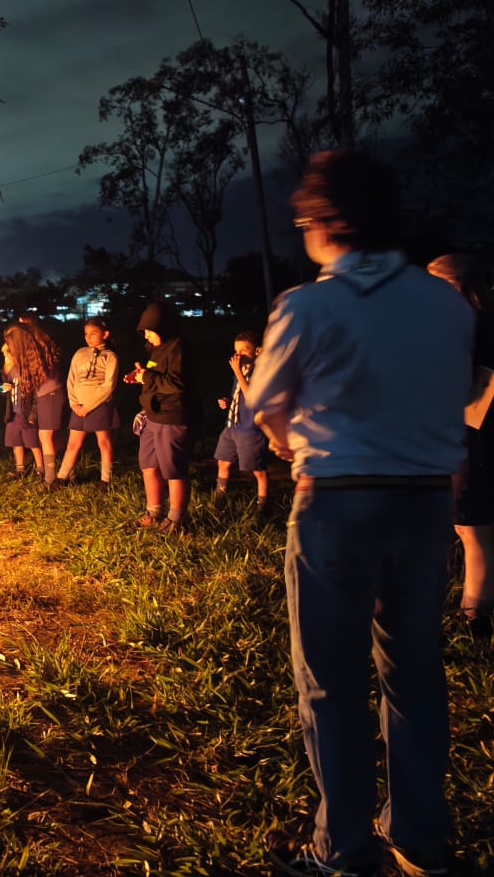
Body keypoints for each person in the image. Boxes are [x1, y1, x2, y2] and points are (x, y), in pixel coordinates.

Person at [249, 150, 471, 877]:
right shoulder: (445, 301)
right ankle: (419, 841)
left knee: (332, 682)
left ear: (328, 223)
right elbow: (456, 394)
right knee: (413, 673)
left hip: (337, 503)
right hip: (425, 504)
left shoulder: (309, 305)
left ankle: (341, 849)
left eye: (306, 220)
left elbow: (266, 409)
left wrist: (293, 442)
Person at [427, 252, 494, 635]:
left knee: (473, 529)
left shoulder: (467, 326)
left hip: (472, 436)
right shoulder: (475, 322)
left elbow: (463, 389)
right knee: (468, 527)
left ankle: (477, 620)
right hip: (472, 434)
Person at [124, 300, 200, 536]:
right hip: (152, 415)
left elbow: (176, 384)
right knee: (149, 465)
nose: (146, 335)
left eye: (149, 330)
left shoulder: (179, 348)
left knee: (173, 469)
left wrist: (147, 377)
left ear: (164, 327)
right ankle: (154, 512)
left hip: (172, 415)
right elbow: (156, 375)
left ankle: (177, 520)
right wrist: (140, 376)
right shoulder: (157, 348)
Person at [55, 316, 119, 490]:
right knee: (73, 443)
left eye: (93, 333)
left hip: (99, 405)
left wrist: (89, 406)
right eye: (86, 333)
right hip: (78, 406)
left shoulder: (110, 356)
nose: (88, 337)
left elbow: (108, 385)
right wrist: (74, 404)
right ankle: (61, 478)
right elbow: (71, 379)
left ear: (105, 334)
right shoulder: (80, 353)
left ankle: (105, 479)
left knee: (104, 442)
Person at [211, 331, 269, 519]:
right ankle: (220, 500)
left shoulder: (261, 372)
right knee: (223, 462)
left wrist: (237, 371)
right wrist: (227, 401)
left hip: (250, 429)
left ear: (258, 351)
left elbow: (251, 396)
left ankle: (262, 507)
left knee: (258, 471)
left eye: (245, 350)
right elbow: (239, 393)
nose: (239, 355)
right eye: (237, 351)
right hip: (232, 426)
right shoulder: (241, 371)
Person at [2, 321, 64, 485]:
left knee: (45, 436)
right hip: (44, 395)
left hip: (50, 394)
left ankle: (50, 478)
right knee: (50, 437)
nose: (7, 348)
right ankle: (65, 473)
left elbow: (38, 379)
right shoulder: (29, 354)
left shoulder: (35, 355)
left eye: (9, 343)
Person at [0, 338, 42, 477]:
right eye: (4, 354)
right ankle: (19, 468)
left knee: (32, 441)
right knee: (15, 441)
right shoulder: (7, 372)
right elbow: (1, 389)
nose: (6, 357)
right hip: (13, 413)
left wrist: (33, 414)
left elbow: (34, 392)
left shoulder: (26, 370)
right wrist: (3, 388)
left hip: (26, 412)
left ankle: (41, 468)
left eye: (9, 354)